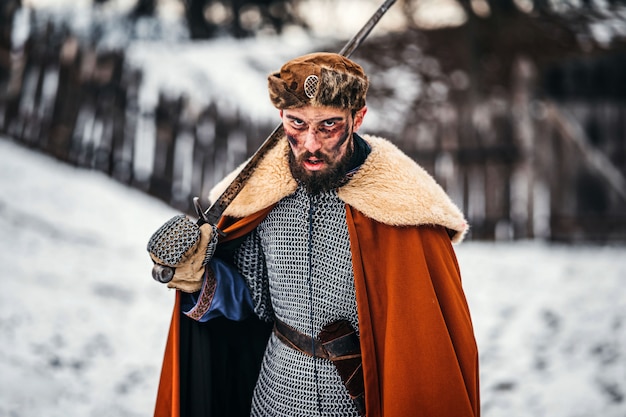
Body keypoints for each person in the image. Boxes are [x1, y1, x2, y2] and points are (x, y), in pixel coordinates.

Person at [147, 52, 480, 417]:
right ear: (281, 118)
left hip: (358, 400)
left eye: (329, 125)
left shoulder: (400, 205)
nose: (310, 143)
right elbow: (251, 298)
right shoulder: (264, 193)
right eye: (297, 123)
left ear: (358, 118)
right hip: (276, 393)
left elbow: (423, 345)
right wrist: (200, 280)